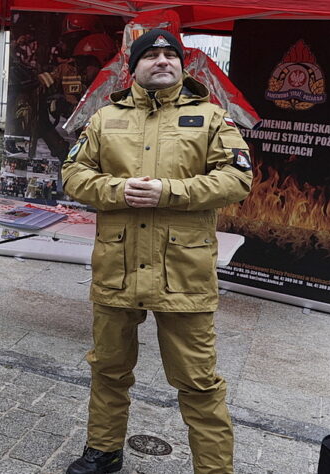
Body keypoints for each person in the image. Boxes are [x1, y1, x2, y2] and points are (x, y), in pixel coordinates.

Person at [61, 29, 253, 474]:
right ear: (135, 66)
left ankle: (213, 469)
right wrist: (115, 189)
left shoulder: (210, 118)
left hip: (183, 272)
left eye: (171, 54)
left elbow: (238, 179)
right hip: (117, 266)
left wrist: (170, 192)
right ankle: (103, 450)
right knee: (108, 367)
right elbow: (72, 173)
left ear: (183, 66)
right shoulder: (105, 118)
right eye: (152, 55)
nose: (162, 61)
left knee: (198, 381)